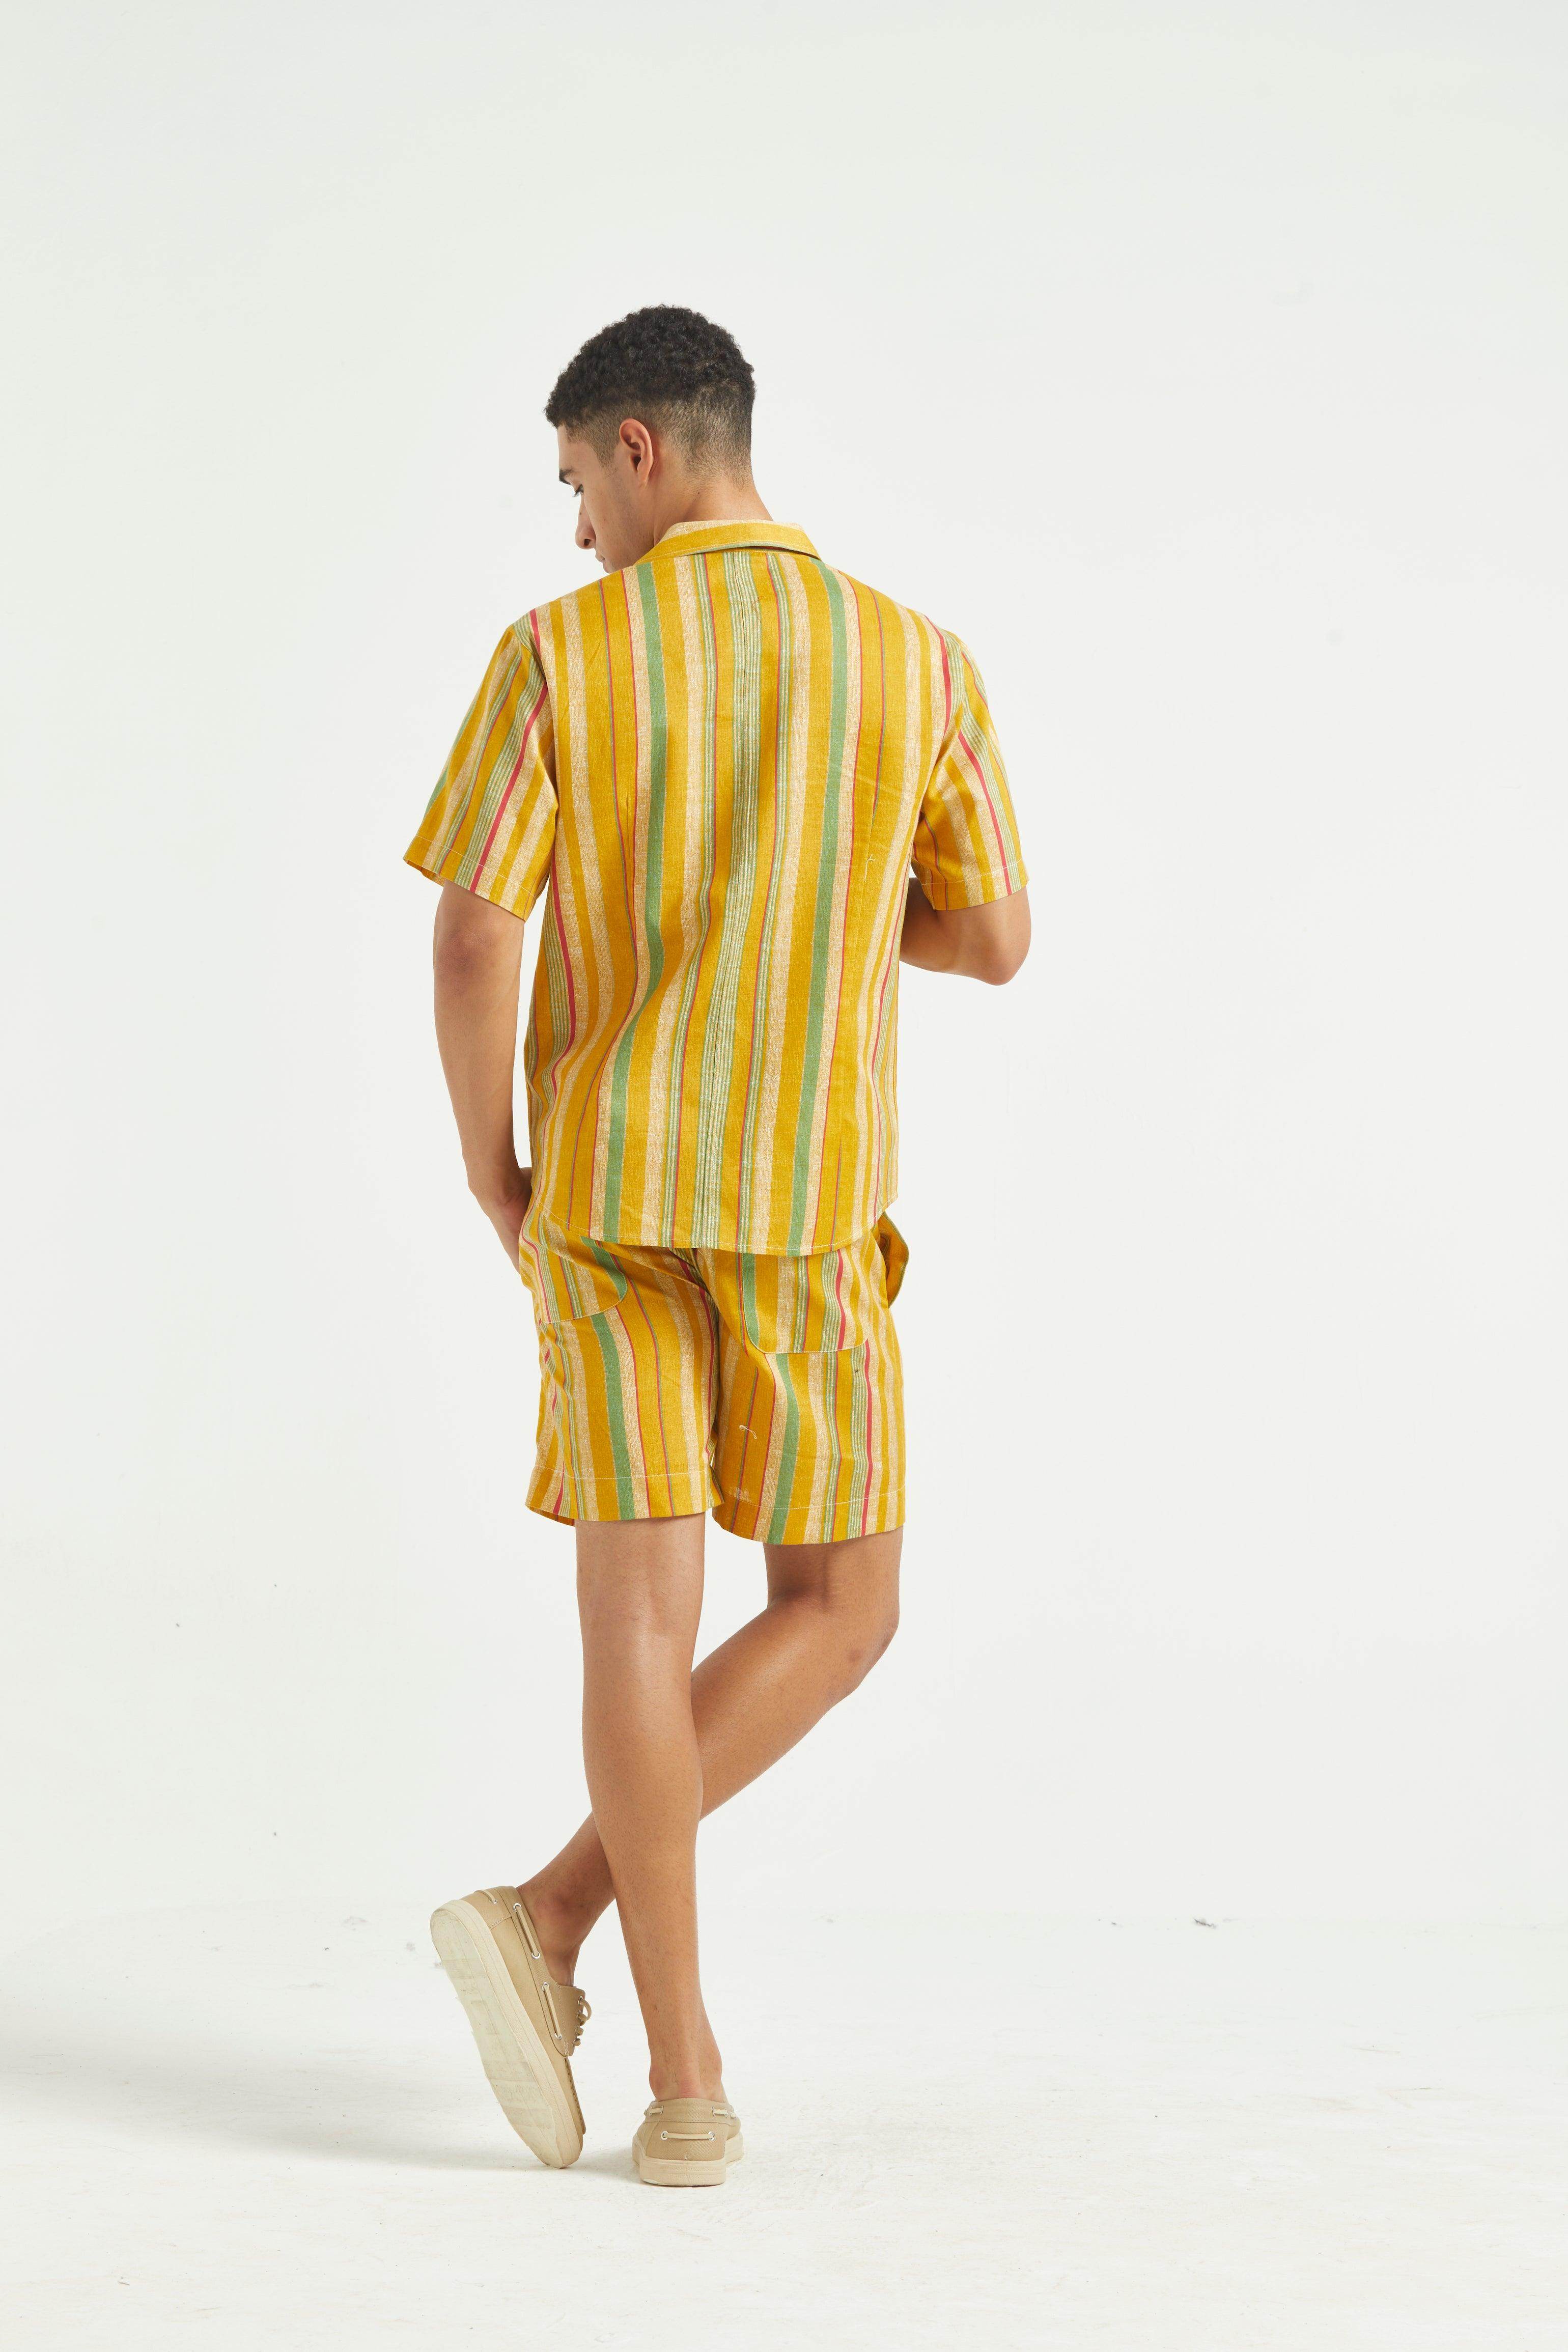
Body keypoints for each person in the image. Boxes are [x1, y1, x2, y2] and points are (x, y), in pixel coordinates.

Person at [406, 305, 1030, 2187]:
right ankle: (561, 1943)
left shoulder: (558, 655)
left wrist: (494, 1174)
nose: (575, 525)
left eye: (576, 482)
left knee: (636, 1623)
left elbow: (473, 933)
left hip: (606, 1206)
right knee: (845, 1609)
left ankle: (674, 2072)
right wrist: (834, 913)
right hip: (808, 1213)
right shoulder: (916, 659)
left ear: (642, 449)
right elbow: (995, 937)